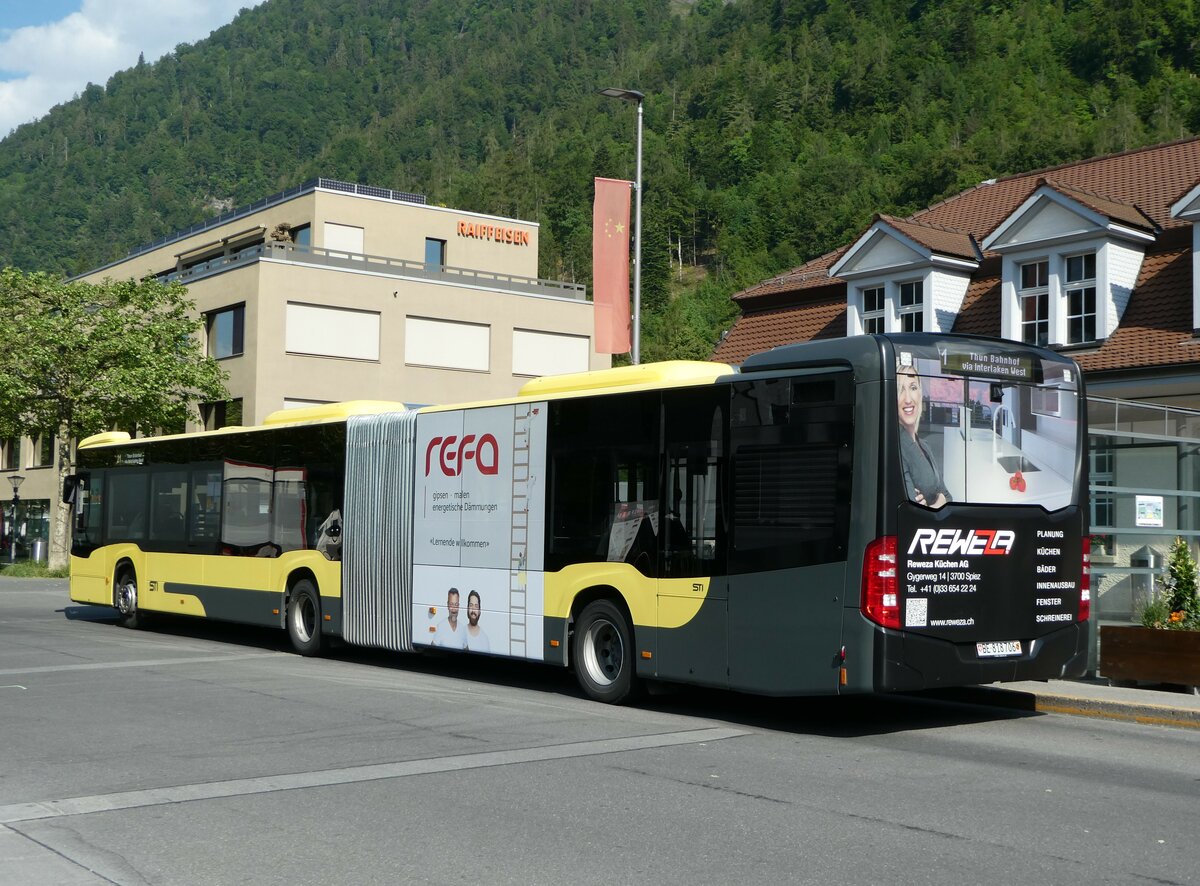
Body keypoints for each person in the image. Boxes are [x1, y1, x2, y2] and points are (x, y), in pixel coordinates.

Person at [897, 363, 950, 509]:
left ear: (920, 393)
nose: (908, 399)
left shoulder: (925, 446)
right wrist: (938, 502)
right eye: (900, 390)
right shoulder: (896, 446)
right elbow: (912, 509)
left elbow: (948, 496)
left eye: (913, 388)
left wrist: (938, 501)